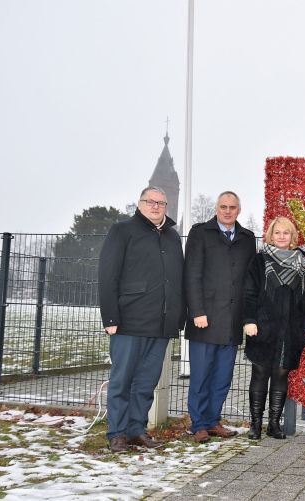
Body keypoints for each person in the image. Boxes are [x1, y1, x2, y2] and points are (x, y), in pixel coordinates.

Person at [98, 186, 184, 453]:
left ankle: (137, 429)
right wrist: (110, 316)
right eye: (151, 201)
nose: (156, 206)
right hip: (128, 321)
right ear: (140, 203)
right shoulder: (122, 231)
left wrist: (177, 318)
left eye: (161, 203)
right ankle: (117, 433)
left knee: (146, 382)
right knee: (123, 380)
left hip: (160, 325)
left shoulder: (172, 236)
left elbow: (177, 279)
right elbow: (108, 275)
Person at [184, 191, 256, 443]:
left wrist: (248, 317)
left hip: (232, 321)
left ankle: (213, 421)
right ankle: (199, 424)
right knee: (201, 376)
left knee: (223, 377)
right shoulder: (200, 233)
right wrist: (197, 311)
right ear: (216, 208)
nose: (227, 211)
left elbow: (249, 281)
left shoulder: (247, 238)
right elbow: (191, 274)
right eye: (223, 206)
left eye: (232, 207)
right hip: (205, 319)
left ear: (239, 210)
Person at [242, 216, 305, 440]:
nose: (282, 236)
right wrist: (249, 321)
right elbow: (249, 293)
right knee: (260, 372)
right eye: (277, 233)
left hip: (292, 327)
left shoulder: (302, 260)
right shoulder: (260, 259)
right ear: (271, 235)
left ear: (292, 236)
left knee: (281, 374)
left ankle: (274, 424)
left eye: (286, 233)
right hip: (263, 326)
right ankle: (256, 424)